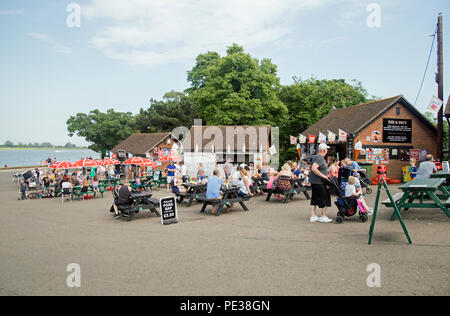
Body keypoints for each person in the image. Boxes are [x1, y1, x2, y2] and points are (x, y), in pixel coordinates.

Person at [309, 143, 332, 223]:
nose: (327, 150)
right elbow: (314, 168)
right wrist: (324, 176)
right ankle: (323, 216)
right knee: (325, 197)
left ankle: (313, 216)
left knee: (314, 198)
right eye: (327, 149)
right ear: (324, 150)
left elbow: (315, 167)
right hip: (318, 182)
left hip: (315, 181)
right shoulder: (319, 157)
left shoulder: (316, 157)